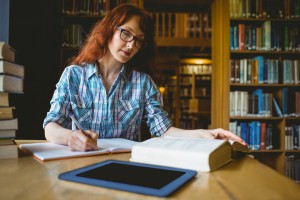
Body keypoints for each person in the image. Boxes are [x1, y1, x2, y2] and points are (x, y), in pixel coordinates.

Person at [43, 4, 246, 151]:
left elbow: (164, 130)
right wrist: (71, 137)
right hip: (80, 163)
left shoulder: (143, 84)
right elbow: (50, 126)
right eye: (126, 34)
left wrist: (206, 134)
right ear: (108, 31)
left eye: (139, 40)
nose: (131, 45)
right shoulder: (73, 76)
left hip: (124, 167)